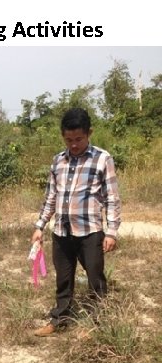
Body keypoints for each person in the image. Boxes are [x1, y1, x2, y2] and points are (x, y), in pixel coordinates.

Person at [31, 107, 121, 337]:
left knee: (95, 277)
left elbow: (112, 197)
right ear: (63, 136)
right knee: (63, 278)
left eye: (79, 139)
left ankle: (97, 322)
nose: (73, 144)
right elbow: (51, 196)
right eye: (68, 139)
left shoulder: (102, 159)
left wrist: (111, 232)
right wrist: (40, 226)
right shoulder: (58, 161)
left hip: (90, 232)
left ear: (89, 133)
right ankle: (60, 319)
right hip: (61, 232)